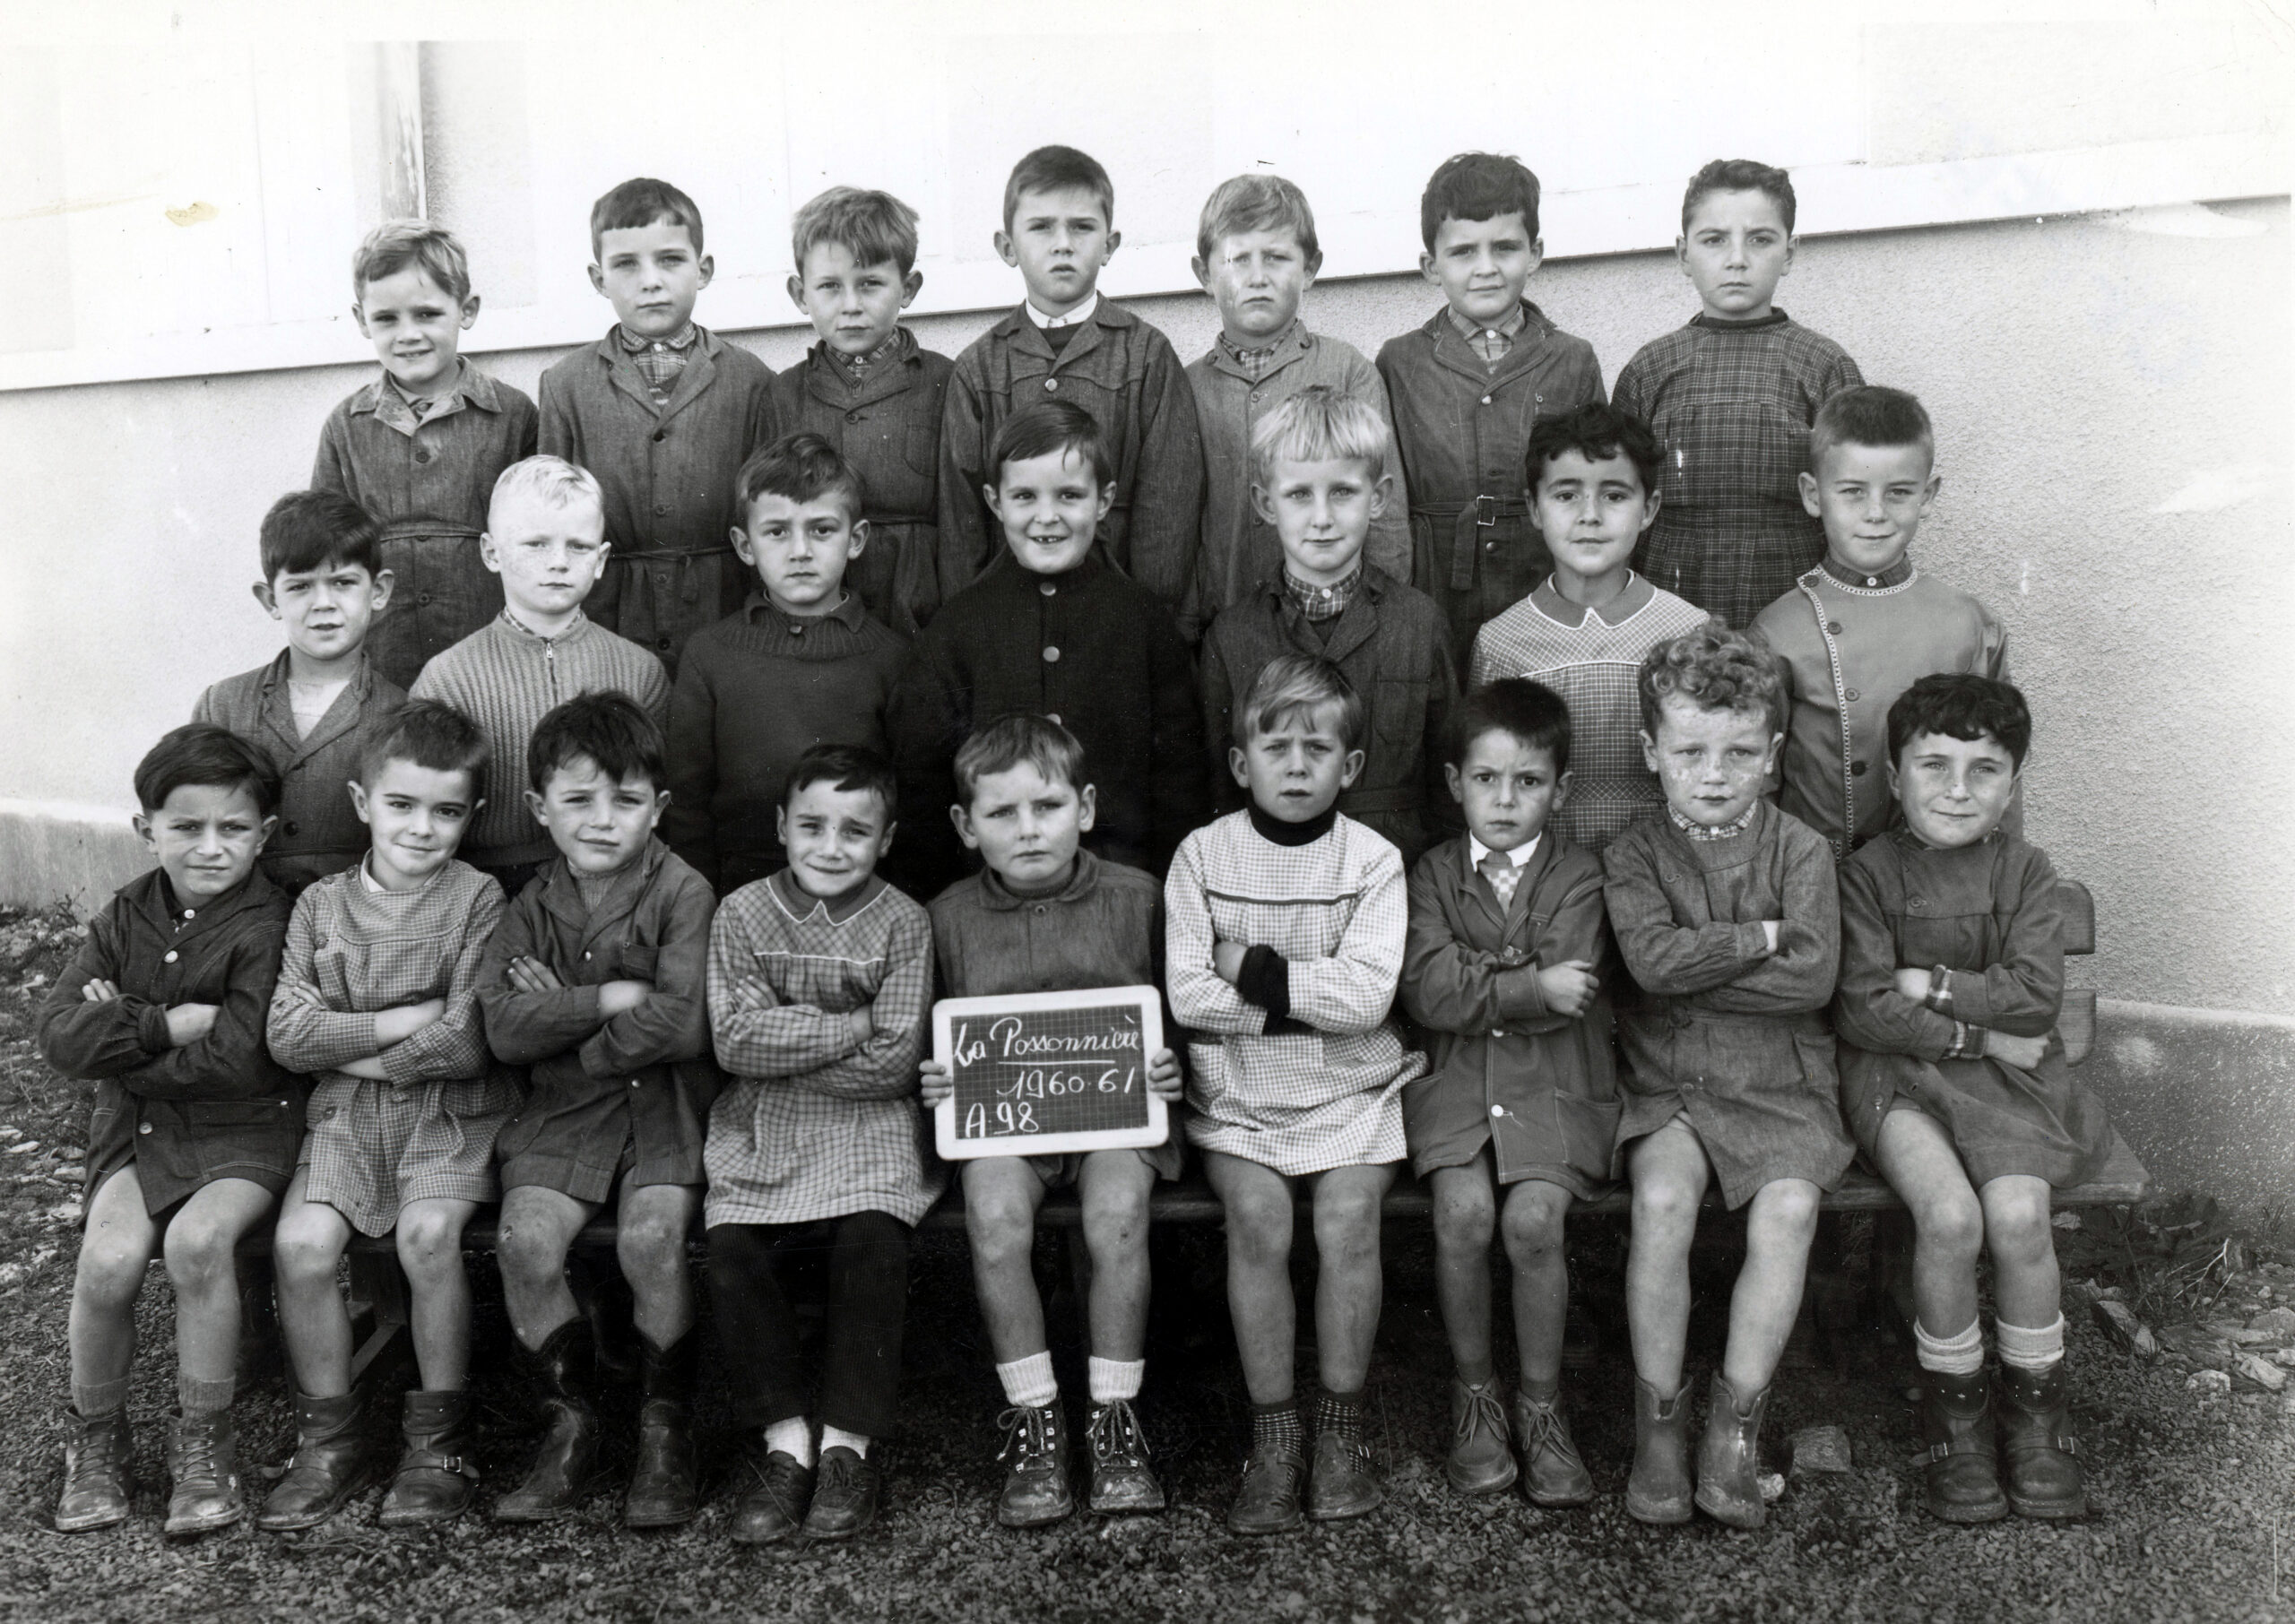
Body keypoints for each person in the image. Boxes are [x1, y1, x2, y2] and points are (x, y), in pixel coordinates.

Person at [1834, 674, 2109, 1524]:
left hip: (2015, 1082)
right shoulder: (1865, 875)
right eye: (1934, 766)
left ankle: (2036, 1413)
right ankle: (1955, 1414)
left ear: (2013, 783)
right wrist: (1975, 1031)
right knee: (1950, 1218)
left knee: (2021, 1218)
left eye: (1984, 769)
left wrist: (1931, 982)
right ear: (1894, 774)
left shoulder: (2026, 871)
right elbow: (1865, 1010)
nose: (1958, 790)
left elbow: (2036, 997)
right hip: (1899, 1080)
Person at [1165, 655, 1426, 1533]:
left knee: (1347, 1219)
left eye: (1317, 749)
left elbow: (1368, 1003)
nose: (1296, 765)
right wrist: (1305, 1002)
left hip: (1353, 1090)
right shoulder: (1202, 855)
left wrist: (1248, 968)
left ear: (1350, 767)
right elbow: (1188, 996)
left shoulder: (1373, 861)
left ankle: (1340, 1430)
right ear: (1241, 762)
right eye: (1275, 748)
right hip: (1237, 1094)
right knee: (1260, 1220)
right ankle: (1274, 1436)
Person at [1601, 624, 1850, 1530]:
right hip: (1670, 1079)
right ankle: (1658, 1425)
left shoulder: (1801, 851)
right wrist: (1759, 938)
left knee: (1789, 1213)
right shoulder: (1632, 854)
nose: (1714, 774)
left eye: (1740, 752)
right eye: (1690, 752)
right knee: (1662, 1201)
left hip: (1782, 1082)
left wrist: (1697, 964)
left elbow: (1811, 980)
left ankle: (1733, 1426)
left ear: (1773, 755)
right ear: (1651, 753)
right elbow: (1649, 965)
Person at [922, 715, 1187, 1526]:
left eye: (1048, 806)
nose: (1029, 829)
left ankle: (1114, 1419)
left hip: (1115, 1121)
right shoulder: (946, 918)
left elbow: (1182, 1011)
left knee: (1117, 1215)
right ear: (966, 825)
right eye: (1002, 813)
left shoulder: (1139, 899)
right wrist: (932, 1076)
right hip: (1006, 1127)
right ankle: (1035, 1423)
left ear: (1087, 807)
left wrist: (1172, 1064)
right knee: (995, 1219)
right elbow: (930, 1032)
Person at [39, 726, 300, 1536]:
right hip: (139, 1129)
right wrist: (162, 1025)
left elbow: (240, 1062)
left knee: (197, 1244)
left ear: (265, 833)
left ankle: (204, 1445)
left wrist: (118, 1038)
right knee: (108, 1259)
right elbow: (59, 1035)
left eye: (233, 828)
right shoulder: (125, 914)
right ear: (145, 828)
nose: (210, 847)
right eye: (186, 826)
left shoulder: (269, 922)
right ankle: (97, 1442)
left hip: (247, 1131)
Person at [263, 701, 513, 1529]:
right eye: (401, 805)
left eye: (447, 812)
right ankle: (328, 1439)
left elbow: (467, 1041)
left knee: (429, 1238)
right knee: (301, 1247)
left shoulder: (478, 899)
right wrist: (404, 1021)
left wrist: (343, 1045)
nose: (421, 829)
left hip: (450, 1114)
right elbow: (287, 1034)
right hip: (346, 1118)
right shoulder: (320, 906)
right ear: (362, 802)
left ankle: (438, 1439)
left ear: (472, 815)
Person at [477, 693, 720, 1527]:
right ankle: (570, 1427)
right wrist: (610, 997)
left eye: (626, 800)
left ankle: (665, 1430)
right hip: (563, 1115)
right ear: (540, 808)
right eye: (577, 800)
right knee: (524, 1240)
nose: (602, 820)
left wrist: (564, 1023)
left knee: (652, 1239)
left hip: (664, 1109)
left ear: (660, 807)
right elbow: (502, 1029)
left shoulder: (683, 891)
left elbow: (683, 1021)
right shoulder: (527, 906)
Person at [702, 745, 935, 1544]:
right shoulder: (740, 913)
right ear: (781, 826)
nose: (831, 848)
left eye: (855, 831)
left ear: (886, 839)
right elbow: (735, 1043)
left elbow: (895, 1062)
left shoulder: (904, 921)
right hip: (763, 1121)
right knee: (732, 1244)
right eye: (812, 826)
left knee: (873, 1238)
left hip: (872, 1125)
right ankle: (784, 1443)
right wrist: (855, 1023)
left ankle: (846, 1446)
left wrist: (790, 1037)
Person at [1399, 679, 1612, 1506]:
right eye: (1486, 779)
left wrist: (1477, 977)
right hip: (1456, 1086)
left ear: (1561, 789)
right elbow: (1427, 988)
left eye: (1528, 782)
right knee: (1461, 1215)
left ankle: (1542, 1405)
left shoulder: (1581, 876)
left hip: (1555, 1087)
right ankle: (1476, 1394)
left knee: (1532, 1223)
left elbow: (1572, 989)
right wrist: (1527, 983)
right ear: (1456, 783)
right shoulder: (1430, 874)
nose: (1505, 799)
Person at [890, 401, 1206, 895]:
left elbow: (1179, 782)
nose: (1046, 517)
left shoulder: (1143, 621)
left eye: (1069, 495)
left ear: (1103, 501)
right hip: (991, 896)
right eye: (1024, 497)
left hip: (1121, 892)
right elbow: (922, 786)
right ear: (995, 503)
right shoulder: (958, 627)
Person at [938, 144, 1204, 622]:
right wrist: (972, 622)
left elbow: (1168, 505)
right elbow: (961, 520)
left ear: (1110, 244)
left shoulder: (1146, 355)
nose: (1062, 244)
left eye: (1081, 227)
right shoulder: (979, 368)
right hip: (1006, 617)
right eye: (1041, 227)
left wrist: (1148, 616)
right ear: (1007, 247)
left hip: (1118, 614)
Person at [1750, 385, 2010, 859]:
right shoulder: (1778, 629)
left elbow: (2000, 767)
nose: (1875, 514)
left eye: (1899, 493)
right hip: (1815, 876)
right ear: (1813, 495)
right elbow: (1759, 782)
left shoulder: (1969, 623)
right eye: (1852, 492)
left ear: (1927, 496)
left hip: (1938, 875)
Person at [1200, 386, 1455, 867]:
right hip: (1271, 875)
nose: (1322, 518)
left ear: (1378, 497)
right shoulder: (1232, 635)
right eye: (1299, 494)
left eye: (1343, 492)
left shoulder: (1420, 623)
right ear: (1266, 504)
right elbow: (1220, 790)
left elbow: (1448, 783)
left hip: (1398, 871)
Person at [538, 177, 776, 675]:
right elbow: (552, 519)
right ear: (598, 279)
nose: (650, 281)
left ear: (703, 270)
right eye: (626, 264)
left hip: (724, 607)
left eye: (670, 260)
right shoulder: (566, 385)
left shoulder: (752, 379)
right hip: (607, 615)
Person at [1613, 160, 1864, 627]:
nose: (1737, 259)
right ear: (1683, 254)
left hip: (1794, 597)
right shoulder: (1650, 368)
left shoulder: (1824, 365)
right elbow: (1619, 497)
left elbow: (1856, 498)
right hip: (1671, 590)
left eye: (1760, 240)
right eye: (1714, 240)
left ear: (1789, 253)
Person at [1378, 152, 1606, 666]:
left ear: (1535, 253)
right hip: (1434, 585)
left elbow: (1596, 483)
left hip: (1541, 581)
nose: (1486, 268)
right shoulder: (1400, 362)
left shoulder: (1572, 359)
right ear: (1431, 267)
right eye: (1463, 252)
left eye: (1504, 247)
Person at [664, 432, 909, 895]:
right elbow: (688, 806)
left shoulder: (891, 658)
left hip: (858, 898)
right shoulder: (710, 654)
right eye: (777, 532)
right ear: (745, 545)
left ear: (856, 539)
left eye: (822, 530)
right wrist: (700, 906)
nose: (800, 551)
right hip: (736, 895)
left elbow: (910, 807)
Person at [412, 456, 670, 895]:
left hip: (614, 879)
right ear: (491, 552)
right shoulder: (448, 678)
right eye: (536, 544)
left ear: (601, 559)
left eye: (579, 547)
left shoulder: (639, 670)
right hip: (488, 884)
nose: (559, 562)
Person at [1468, 404, 1710, 853]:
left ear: (1649, 508)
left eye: (1614, 496)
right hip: (1544, 879)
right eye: (1566, 495)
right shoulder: (1501, 642)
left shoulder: (1689, 631)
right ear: (1534, 508)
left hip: (1667, 872)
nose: (1590, 515)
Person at [313, 220, 540, 687]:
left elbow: (539, 537)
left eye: (427, 314)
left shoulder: (513, 415)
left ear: (467, 310)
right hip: (382, 655)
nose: (408, 334)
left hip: (492, 654)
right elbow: (326, 552)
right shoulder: (346, 426)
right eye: (386, 319)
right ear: (361, 321)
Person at [1185, 174, 1408, 621]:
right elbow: (1175, 519)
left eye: (1276, 257)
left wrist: (1380, 620)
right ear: (1204, 274)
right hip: (1221, 622)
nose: (1257, 277)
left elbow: (1387, 519)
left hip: (1337, 622)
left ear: (1309, 269)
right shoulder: (1184, 386)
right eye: (1237, 259)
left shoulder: (1348, 371)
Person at [195, 489, 410, 893]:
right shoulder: (222, 705)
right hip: (242, 912)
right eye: (300, 587)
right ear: (270, 600)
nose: (323, 603)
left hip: (355, 916)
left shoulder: (400, 714)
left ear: (379, 591)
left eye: (343, 582)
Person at [769, 186, 954, 635]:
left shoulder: (946, 382)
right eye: (830, 286)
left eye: (870, 283)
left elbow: (964, 519)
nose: (851, 306)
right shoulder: (783, 393)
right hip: (816, 621)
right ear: (800, 294)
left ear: (908, 288)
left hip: (922, 615)